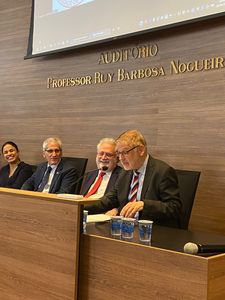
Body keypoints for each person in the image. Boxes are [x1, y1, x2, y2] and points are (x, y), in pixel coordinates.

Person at [85, 130, 182, 228]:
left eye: (125, 152)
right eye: (119, 153)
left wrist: (144, 205)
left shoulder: (162, 171)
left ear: (141, 150)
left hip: (153, 231)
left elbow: (174, 208)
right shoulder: (125, 172)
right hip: (126, 229)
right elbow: (108, 200)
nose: (121, 158)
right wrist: (78, 207)